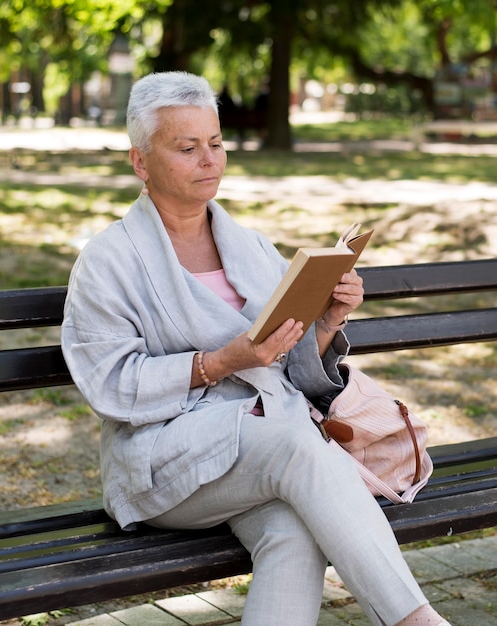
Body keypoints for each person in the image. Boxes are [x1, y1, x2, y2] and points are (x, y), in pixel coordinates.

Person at [61, 71, 451, 626]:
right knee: (295, 446)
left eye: (216, 144)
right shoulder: (108, 262)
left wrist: (325, 322)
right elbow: (111, 384)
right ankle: (416, 621)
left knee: (294, 533)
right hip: (165, 462)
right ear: (141, 162)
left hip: (261, 451)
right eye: (187, 148)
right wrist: (220, 363)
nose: (209, 160)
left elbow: (288, 365)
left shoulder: (248, 245)